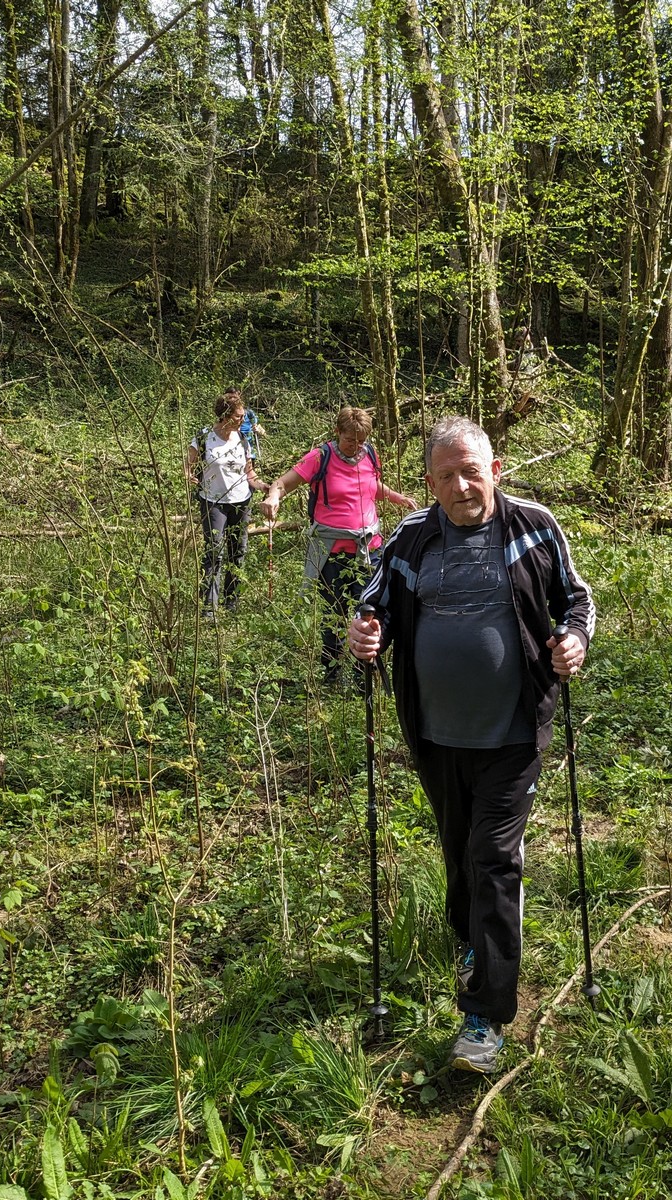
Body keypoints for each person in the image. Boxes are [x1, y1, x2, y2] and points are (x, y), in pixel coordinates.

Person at [348, 415, 595, 1074]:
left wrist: (574, 639)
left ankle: (484, 1017)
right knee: (459, 851)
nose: (461, 486)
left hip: (513, 732)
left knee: (493, 859)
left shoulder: (533, 527)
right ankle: (470, 940)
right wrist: (366, 631)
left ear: (495, 470)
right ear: (429, 483)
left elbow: (576, 600)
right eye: (447, 476)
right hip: (435, 733)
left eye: (471, 472)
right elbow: (376, 604)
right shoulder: (411, 537)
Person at [261, 407, 417, 683]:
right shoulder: (320, 457)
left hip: (370, 550)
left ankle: (362, 673)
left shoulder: (369, 454)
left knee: (369, 610)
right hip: (331, 553)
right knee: (334, 612)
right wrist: (273, 497)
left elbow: (372, 486)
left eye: (361, 441)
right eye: (350, 440)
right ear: (337, 432)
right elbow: (282, 483)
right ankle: (332, 672)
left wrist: (397, 497)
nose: (355, 446)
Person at [185, 391, 265, 617]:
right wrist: (188, 476)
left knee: (238, 551)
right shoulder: (204, 437)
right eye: (239, 416)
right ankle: (209, 607)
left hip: (241, 502)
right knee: (214, 551)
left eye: (243, 416)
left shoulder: (242, 439)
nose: (243, 420)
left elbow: (249, 473)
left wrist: (263, 486)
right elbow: (188, 465)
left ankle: (232, 602)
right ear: (225, 416)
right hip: (213, 501)